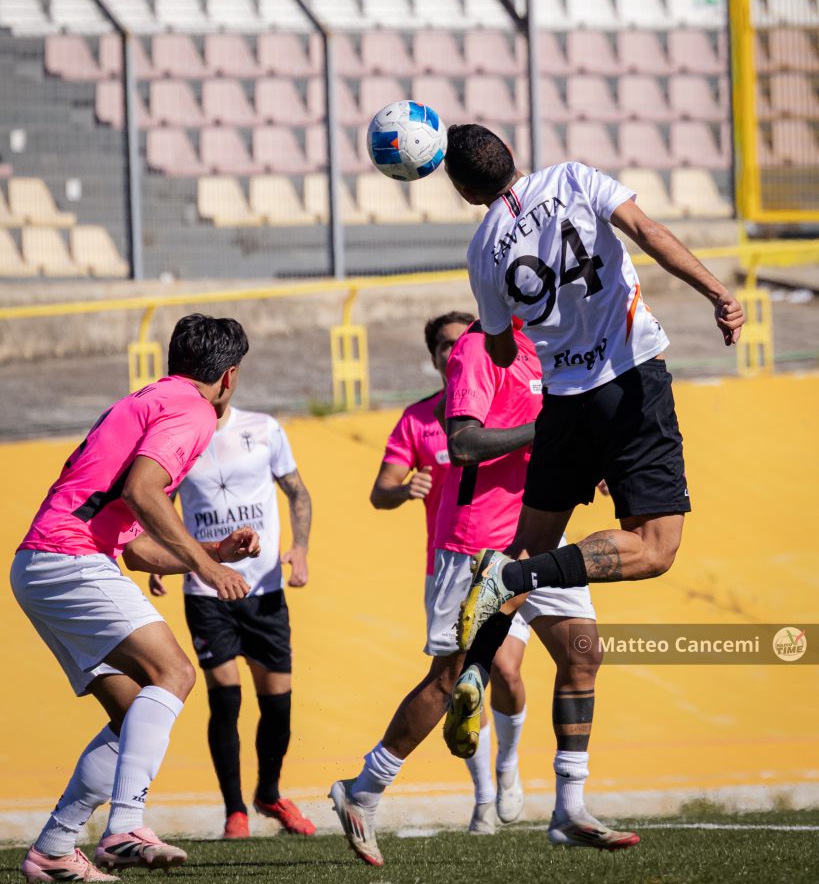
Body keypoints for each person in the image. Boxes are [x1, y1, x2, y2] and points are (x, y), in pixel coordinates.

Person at [439, 124, 746, 786]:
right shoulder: (573, 177)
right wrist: (716, 292)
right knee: (656, 547)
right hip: (628, 380)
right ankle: (512, 583)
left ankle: (473, 667)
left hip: (561, 403)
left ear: (464, 190)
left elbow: (496, 349)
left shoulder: (482, 248)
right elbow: (648, 233)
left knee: (525, 543)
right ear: (513, 158)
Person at [331, 316, 635, 866]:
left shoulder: (539, 347)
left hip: (540, 534)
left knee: (582, 652)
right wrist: (545, 432)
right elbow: (464, 444)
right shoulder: (475, 348)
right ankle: (363, 790)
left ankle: (568, 808)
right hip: (473, 545)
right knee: (448, 679)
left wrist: (589, 464)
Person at [11, 314, 256, 883]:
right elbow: (143, 490)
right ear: (230, 376)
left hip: (43, 563)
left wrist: (212, 549)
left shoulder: (147, 400)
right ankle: (125, 826)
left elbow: (137, 546)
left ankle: (54, 849)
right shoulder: (194, 410)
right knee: (173, 672)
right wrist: (206, 568)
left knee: (131, 713)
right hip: (68, 559)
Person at [366, 310, 532, 839]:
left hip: (516, 546)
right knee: (463, 680)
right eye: (442, 343)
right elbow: (380, 490)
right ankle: (484, 796)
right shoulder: (418, 420)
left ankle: (507, 767)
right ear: (435, 353)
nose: (452, 349)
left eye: (460, 340)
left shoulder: (512, 395)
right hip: (451, 559)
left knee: (503, 670)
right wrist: (402, 489)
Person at [148, 394, 315, 841]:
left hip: (264, 592)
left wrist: (300, 548)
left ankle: (269, 793)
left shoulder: (263, 428)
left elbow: (297, 490)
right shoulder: (175, 442)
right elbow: (152, 506)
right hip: (207, 590)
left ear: (227, 379)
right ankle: (235, 810)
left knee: (278, 705)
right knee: (225, 699)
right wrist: (159, 563)